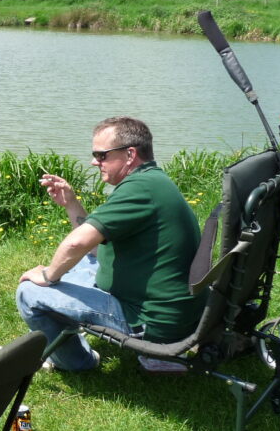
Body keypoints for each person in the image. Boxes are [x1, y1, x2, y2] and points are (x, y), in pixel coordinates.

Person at [15, 116, 206, 372]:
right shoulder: (152, 181)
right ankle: (64, 338)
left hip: (149, 321)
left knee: (29, 292)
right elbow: (93, 248)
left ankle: (79, 361)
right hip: (166, 308)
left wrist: (47, 276)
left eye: (101, 155)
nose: (95, 161)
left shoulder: (138, 190)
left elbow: (76, 243)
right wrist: (71, 203)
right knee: (82, 264)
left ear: (129, 154)